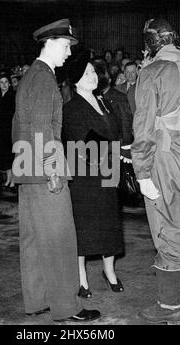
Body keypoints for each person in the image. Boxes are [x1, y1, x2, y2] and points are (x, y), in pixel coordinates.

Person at [11, 19, 100, 322]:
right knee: (61, 239)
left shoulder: (29, 77)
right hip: (45, 168)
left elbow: (19, 127)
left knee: (35, 239)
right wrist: (52, 171)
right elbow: (40, 129)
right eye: (65, 46)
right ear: (49, 44)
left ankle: (38, 301)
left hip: (28, 168)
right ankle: (67, 307)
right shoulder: (44, 78)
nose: (67, 53)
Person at [131, 18, 180, 324]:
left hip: (166, 156)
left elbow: (144, 126)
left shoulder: (152, 72)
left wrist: (141, 171)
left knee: (168, 229)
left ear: (151, 43)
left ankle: (169, 307)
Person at [62, 51, 124, 298]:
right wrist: (115, 151)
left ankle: (109, 272)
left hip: (108, 172)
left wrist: (121, 149)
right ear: (76, 80)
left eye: (93, 72)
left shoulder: (104, 101)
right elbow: (85, 141)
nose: (93, 76)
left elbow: (115, 132)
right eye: (87, 73)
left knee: (109, 224)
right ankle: (81, 279)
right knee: (84, 227)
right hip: (85, 176)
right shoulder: (71, 108)